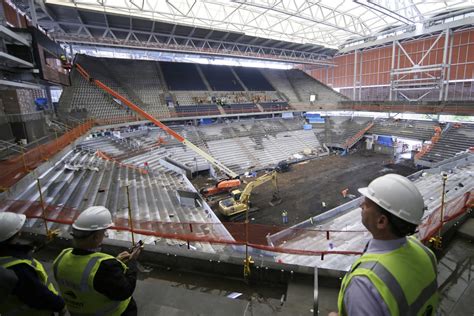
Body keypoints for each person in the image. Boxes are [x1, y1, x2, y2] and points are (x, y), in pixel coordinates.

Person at [332, 174, 438, 316]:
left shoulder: (365, 285)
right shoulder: (426, 253)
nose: (360, 205)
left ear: (381, 221)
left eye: (366, 204)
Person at [53, 206, 142, 316]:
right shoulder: (105, 267)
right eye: (103, 232)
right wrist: (132, 262)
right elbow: (125, 290)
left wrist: (116, 261)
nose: (104, 235)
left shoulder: (61, 258)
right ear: (95, 237)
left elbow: (88, 275)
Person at [0, 212, 65, 315]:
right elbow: (39, 294)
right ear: (18, 233)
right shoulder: (19, 268)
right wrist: (60, 305)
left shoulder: (7, 256)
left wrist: (43, 242)